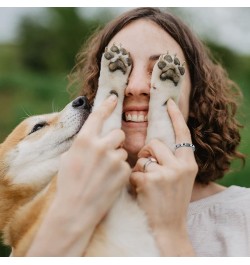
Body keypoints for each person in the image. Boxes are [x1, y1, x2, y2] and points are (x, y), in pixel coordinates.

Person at [26, 7, 250, 256]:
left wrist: (170, 230)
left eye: (159, 69)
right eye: (121, 69)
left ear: (196, 95)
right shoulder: (44, 209)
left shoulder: (243, 217)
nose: (135, 86)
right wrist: (70, 212)